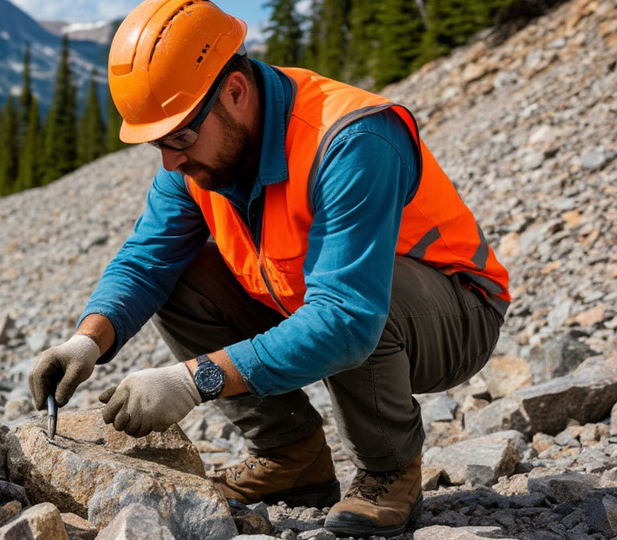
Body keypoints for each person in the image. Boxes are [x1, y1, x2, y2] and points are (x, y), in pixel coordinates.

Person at [28, 0, 510, 536]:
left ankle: (388, 468)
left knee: (356, 301)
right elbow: (145, 261)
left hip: (453, 312)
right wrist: (87, 342)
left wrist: (194, 381)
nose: (170, 160)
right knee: (180, 274)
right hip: (306, 298)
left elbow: (347, 318)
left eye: (179, 138)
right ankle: (291, 458)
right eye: (157, 143)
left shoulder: (351, 140)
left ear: (235, 91)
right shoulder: (198, 154)